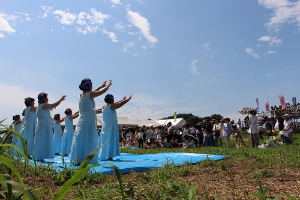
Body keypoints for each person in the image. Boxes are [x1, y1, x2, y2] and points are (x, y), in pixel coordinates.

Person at [70, 79, 112, 165]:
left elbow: (94, 91)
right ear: (89, 86)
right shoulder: (90, 95)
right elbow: (102, 92)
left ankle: (78, 158)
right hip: (88, 120)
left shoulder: (81, 95)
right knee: (88, 138)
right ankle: (86, 158)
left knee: (80, 137)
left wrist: (101, 85)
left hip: (82, 120)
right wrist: (108, 85)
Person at [99, 93, 132, 161]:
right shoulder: (111, 106)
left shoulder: (104, 106)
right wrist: (127, 100)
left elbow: (117, 103)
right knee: (110, 140)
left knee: (105, 141)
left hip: (105, 127)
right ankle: (109, 156)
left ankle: (104, 155)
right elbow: (119, 104)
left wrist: (122, 100)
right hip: (110, 127)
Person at [33, 93, 66, 161]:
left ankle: (40, 156)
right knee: (42, 139)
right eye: (46, 97)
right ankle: (39, 156)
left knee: (41, 140)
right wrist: (61, 99)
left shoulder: (39, 106)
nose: (48, 99)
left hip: (42, 125)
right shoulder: (43, 105)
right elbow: (55, 104)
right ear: (44, 98)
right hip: (43, 126)